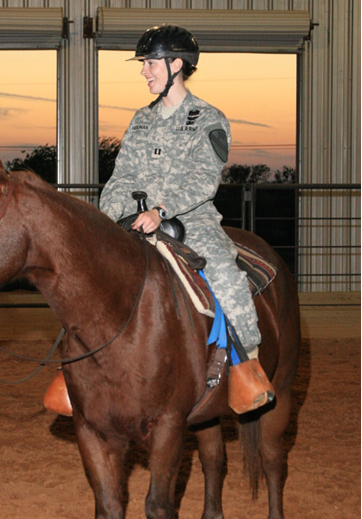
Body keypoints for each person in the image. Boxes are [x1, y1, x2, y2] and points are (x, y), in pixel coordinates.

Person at [99, 24, 274, 412]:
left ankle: (250, 368)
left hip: (191, 221)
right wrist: (105, 218)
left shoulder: (208, 118)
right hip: (134, 220)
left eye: (150, 63)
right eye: (143, 64)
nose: (144, 71)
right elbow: (121, 175)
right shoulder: (140, 120)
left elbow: (203, 179)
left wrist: (160, 211)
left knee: (227, 277)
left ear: (176, 63)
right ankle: (76, 372)